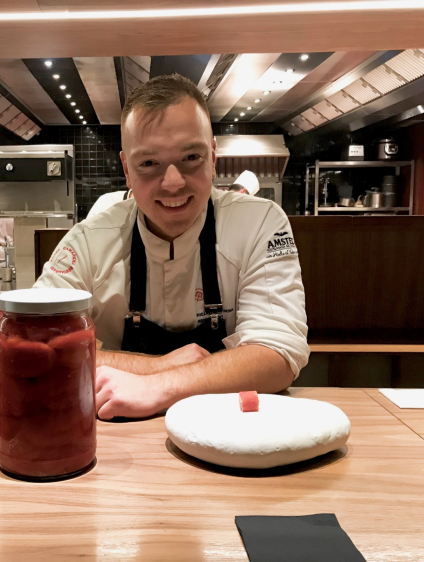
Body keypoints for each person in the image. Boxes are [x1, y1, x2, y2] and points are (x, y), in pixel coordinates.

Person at [34, 74, 309, 420]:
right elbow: (43, 345)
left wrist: (157, 387)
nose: (173, 183)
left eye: (191, 157)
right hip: (114, 434)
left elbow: (278, 354)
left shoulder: (259, 224)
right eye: (149, 164)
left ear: (213, 157)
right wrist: (163, 365)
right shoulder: (88, 241)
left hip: (231, 433)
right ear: (127, 170)